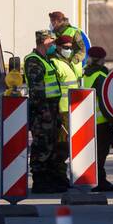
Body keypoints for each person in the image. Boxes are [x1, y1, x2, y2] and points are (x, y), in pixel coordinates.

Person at [23, 31, 68, 192]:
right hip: (43, 110)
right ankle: (40, 182)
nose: (53, 44)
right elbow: (37, 89)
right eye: (51, 41)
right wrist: (44, 110)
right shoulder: (33, 60)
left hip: (52, 108)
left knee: (52, 145)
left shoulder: (46, 59)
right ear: (43, 41)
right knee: (42, 145)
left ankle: (51, 179)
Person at [83, 46, 113, 192]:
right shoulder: (101, 77)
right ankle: (100, 181)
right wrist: (112, 120)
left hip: (84, 120)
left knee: (89, 153)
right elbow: (105, 102)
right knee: (101, 153)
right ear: (103, 59)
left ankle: (89, 179)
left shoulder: (84, 74)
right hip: (100, 122)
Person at [51, 34, 83, 184]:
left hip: (75, 109)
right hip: (62, 110)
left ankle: (69, 176)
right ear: (58, 47)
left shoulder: (73, 63)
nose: (68, 50)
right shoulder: (54, 63)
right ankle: (60, 177)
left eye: (70, 48)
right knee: (62, 146)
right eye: (65, 48)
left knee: (72, 145)